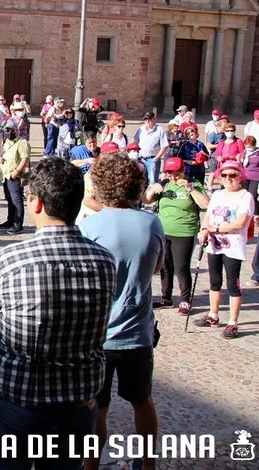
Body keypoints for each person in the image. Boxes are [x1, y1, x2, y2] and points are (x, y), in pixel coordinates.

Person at [0, 157, 117, 470]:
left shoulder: (11, 259)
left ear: (36, 203)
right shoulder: (105, 261)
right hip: (77, 403)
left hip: (18, 402)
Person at [79, 153, 164, 470]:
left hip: (99, 335)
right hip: (138, 332)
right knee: (143, 400)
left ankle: (91, 466)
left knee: (95, 407)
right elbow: (156, 266)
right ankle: (148, 464)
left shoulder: (91, 225)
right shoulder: (151, 222)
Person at [193, 160, 254, 339]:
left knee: (232, 284)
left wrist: (215, 229)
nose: (228, 179)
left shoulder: (245, 196)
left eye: (232, 175)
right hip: (214, 244)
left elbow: (241, 222)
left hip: (233, 246)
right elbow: (208, 216)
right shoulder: (219, 194)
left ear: (240, 177)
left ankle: (233, 322)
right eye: (224, 175)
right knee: (214, 281)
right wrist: (204, 230)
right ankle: (213, 314)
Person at [143, 157, 209, 314]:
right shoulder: (165, 184)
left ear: (183, 171)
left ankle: (185, 300)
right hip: (164, 231)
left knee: (182, 267)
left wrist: (191, 189)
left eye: (176, 174)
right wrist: (152, 189)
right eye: (169, 173)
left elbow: (206, 204)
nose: (173, 177)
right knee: (165, 266)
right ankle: (166, 298)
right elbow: (145, 200)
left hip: (184, 231)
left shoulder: (194, 183)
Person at [0, 122, 31, 235]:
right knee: (9, 199)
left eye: (8, 130)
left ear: (14, 130)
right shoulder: (6, 141)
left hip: (14, 175)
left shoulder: (22, 142)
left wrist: (16, 172)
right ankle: (10, 220)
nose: (6, 132)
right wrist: (1, 159)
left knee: (16, 200)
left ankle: (18, 224)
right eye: (5, 130)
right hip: (5, 174)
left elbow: (24, 159)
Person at [134, 112, 169, 185]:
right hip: (141, 159)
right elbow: (135, 142)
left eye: (149, 119)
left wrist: (156, 158)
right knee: (141, 181)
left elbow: (165, 145)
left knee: (152, 182)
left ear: (154, 119)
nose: (147, 121)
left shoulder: (160, 130)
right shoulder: (141, 129)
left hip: (152, 159)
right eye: (146, 119)